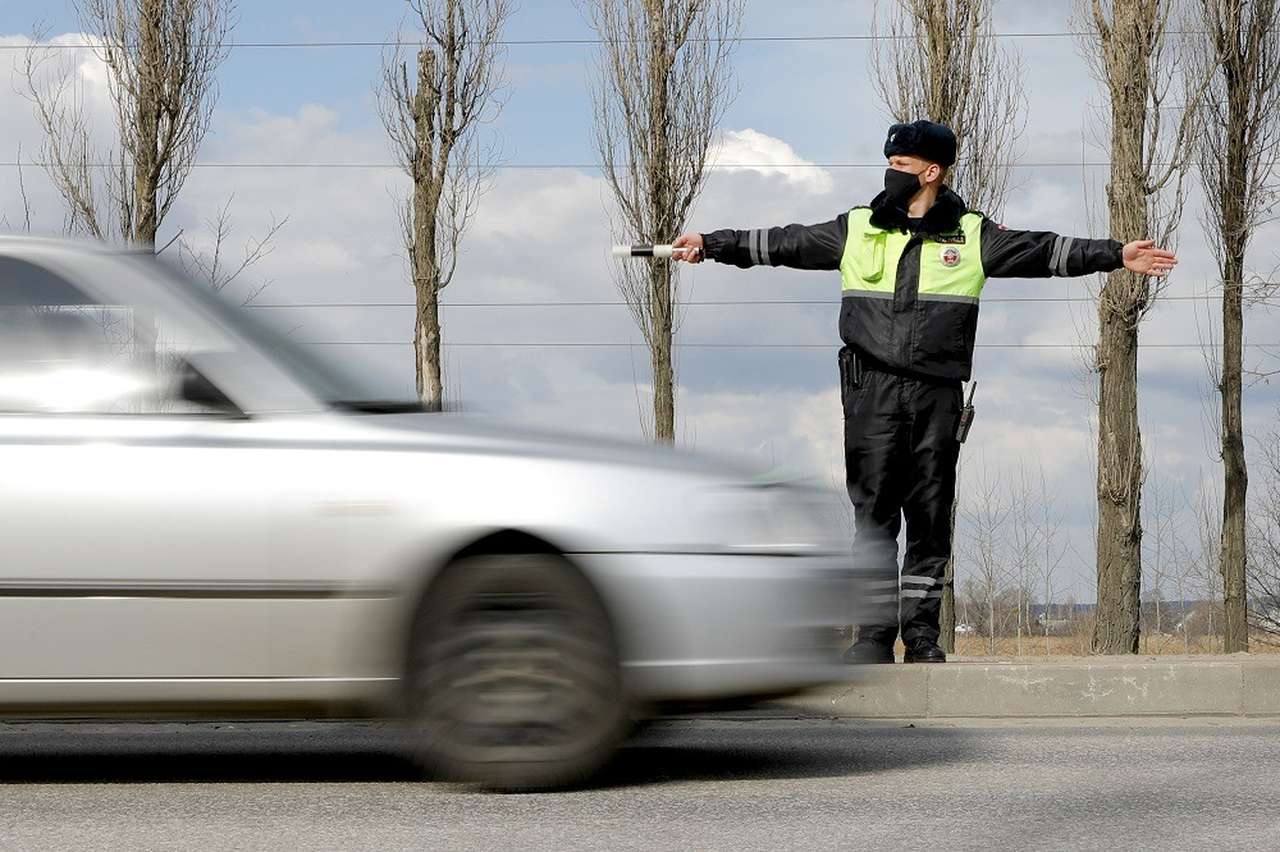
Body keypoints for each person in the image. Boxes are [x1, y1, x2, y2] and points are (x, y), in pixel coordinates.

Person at [672, 120, 1176, 664]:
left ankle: (922, 637)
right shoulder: (857, 229)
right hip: (871, 393)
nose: (891, 174)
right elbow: (780, 243)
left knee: (930, 516)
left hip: (938, 396)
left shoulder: (973, 234)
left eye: (902, 166)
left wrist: (1115, 254)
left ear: (932, 172)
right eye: (890, 165)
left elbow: (1044, 251)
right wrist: (713, 243)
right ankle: (871, 637)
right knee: (874, 517)